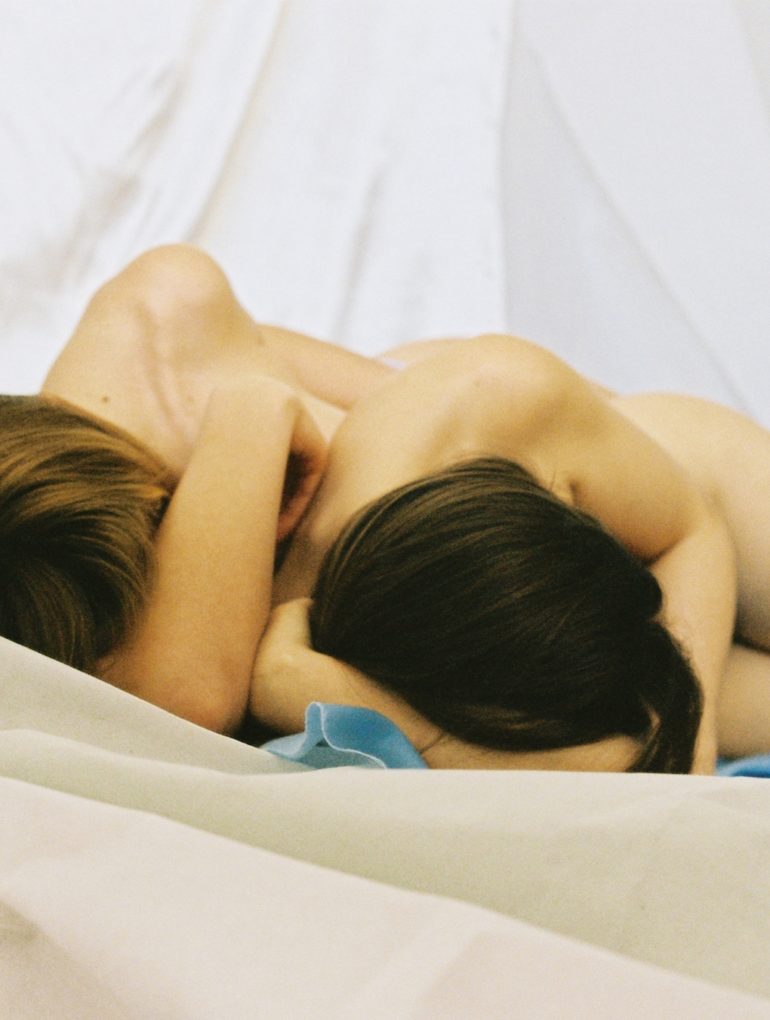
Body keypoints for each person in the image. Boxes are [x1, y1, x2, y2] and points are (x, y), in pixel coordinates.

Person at [2, 245, 766, 772]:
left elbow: (187, 695)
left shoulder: (377, 460)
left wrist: (687, 765)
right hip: (542, 611)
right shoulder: (58, 540)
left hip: (652, 474)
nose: (116, 675)